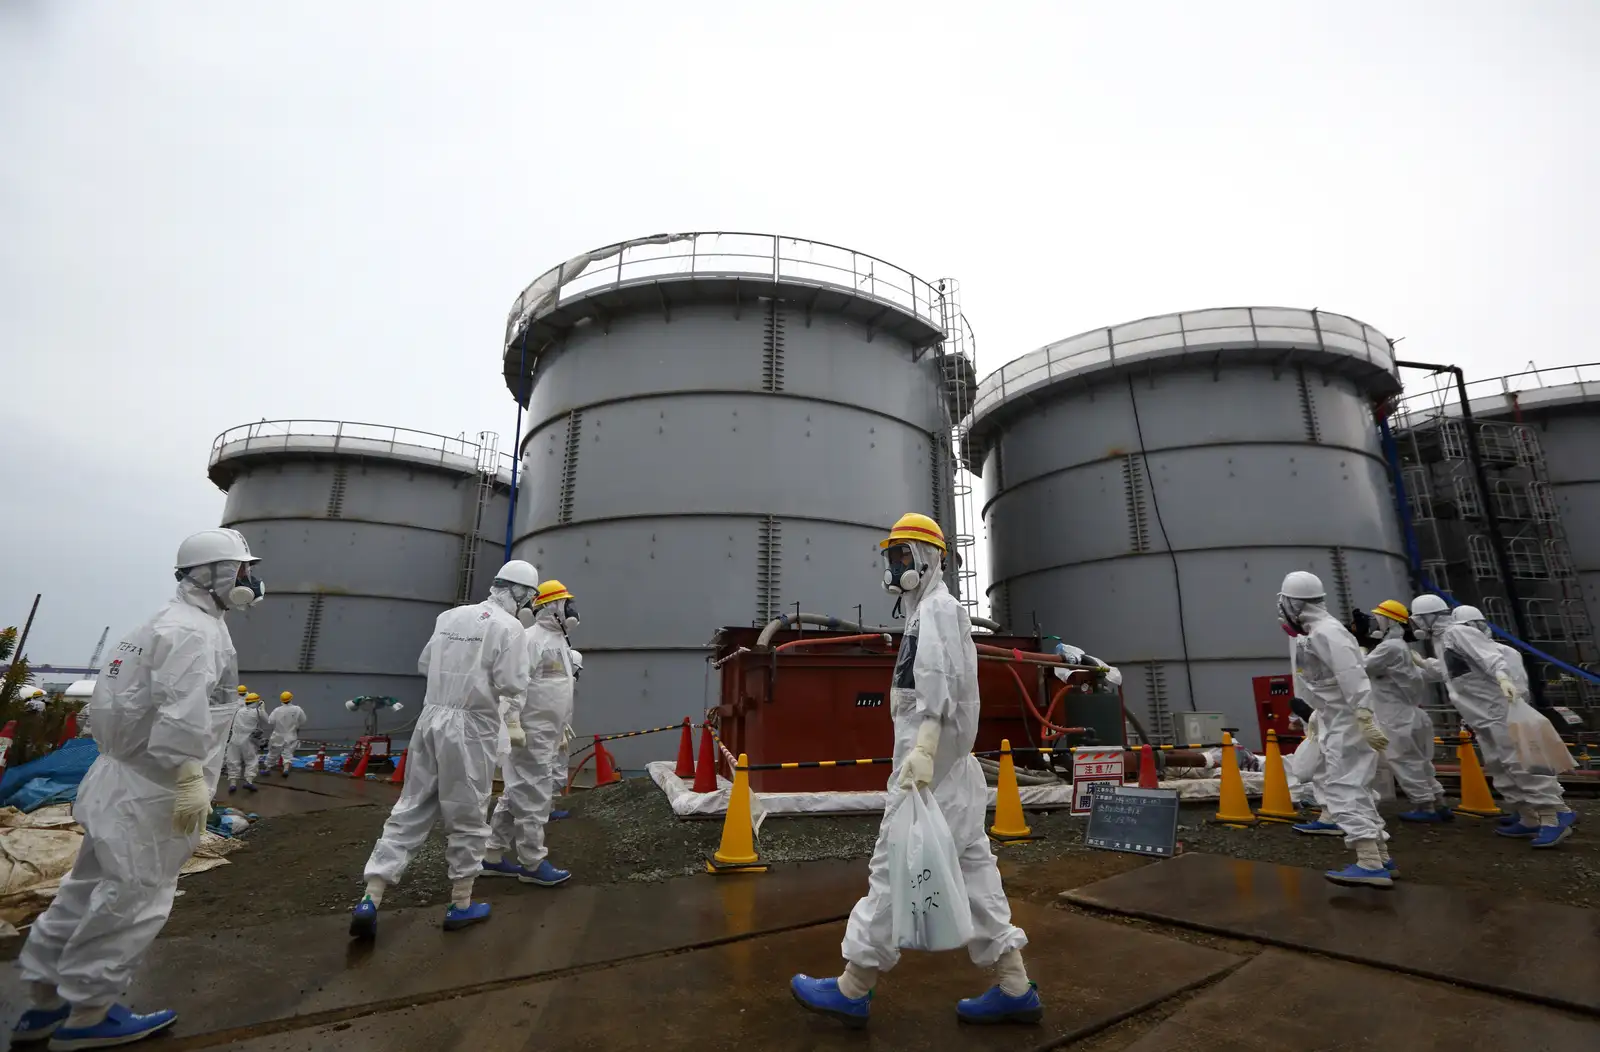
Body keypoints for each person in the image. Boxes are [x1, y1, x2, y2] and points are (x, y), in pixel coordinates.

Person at [11, 529, 262, 1049]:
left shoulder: (163, 623)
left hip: (122, 776)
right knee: (136, 896)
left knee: (84, 890)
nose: (250, 581)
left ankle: (44, 1004)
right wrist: (191, 777)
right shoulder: (193, 632)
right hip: (156, 785)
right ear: (213, 574)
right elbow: (180, 712)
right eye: (241, 571)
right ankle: (90, 1015)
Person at [791, 513, 1039, 1028]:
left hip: (929, 778)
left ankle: (853, 987)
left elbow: (935, 692)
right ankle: (1015, 987)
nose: (896, 565)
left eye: (904, 555)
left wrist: (920, 760)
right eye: (892, 555)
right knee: (975, 874)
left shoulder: (938, 612)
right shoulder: (925, 611)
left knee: (892, 868)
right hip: (951, 776)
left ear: (928, 559)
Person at [350, 560, 537, 939]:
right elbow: (512, 683)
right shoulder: (510, 627)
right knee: (468, 814)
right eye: (529, 596)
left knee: (410, 806)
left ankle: (372, 896)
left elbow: (425, 663)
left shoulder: (449, 616)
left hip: (430, 718)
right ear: (519, 593)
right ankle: (461, 903)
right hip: (472, 726)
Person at [1409, 598, 1574, 848]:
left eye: (1418, 617)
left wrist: (1503, 678)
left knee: (1519, 764)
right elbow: (1451, 674)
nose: (1415, 623)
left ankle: (1553, 817)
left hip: (1498, 711)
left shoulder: (1458, 632)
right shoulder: (1442, 641)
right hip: (1481, 715)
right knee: (1500, 766)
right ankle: (1529, 817)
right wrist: (1422, 664)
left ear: (1430, 617)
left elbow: (1490, 657)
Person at [1277, 571, 1394, 887]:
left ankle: (1370, 864)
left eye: (1284, 602)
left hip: (1348, 722)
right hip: (1337, 719)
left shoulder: (1328, 632)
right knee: (1355, 786)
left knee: (1342, 787)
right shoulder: (1315, 633)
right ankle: (1380, 854)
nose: (1281, 609)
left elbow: (1352, 673)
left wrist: (1364, 715)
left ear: (1294, 602)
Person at [483, 580, 579, 885]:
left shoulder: (560, 643)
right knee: (535, 796)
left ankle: (492, 855)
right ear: (552, 607)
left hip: (546, 733)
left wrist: (562, 727)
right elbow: (513, 686)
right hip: (529, 735)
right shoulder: (530, 640)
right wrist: (511, 724)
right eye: (566, 603)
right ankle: (532, 863)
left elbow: (556, 689)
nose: (573, 609)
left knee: (515, 794)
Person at [1362, 601, 1451, 823]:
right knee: (1421, 761)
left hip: (1396, 716)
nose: (1376, 622)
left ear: (1388, 620)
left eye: (1379, 618)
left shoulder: (1389, 647)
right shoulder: (1401, 647)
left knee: (1404, 760)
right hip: (1412, 714)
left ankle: (1425, 806)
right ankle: (1439, 802)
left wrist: (1359, 648)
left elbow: (1361, 668)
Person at [226, 693, 266, 794]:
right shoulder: (257, 712)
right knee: (251, 761)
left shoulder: (239, 710)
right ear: (257, 702)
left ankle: (233, 784)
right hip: (247, 741)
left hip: (234, 739)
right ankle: (249, 781)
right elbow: (268, 720)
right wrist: (263, 709)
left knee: (233, 760)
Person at [264, 691, 305, 777]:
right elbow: (303, 720)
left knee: (273, 752)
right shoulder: (297, 709)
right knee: (288, 753)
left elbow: (270, 721)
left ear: (281, 700)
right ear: (291, 699)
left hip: (277, 735)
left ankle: (267, 769)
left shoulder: (277, 710)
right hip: (291, 735)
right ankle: (285, 769)